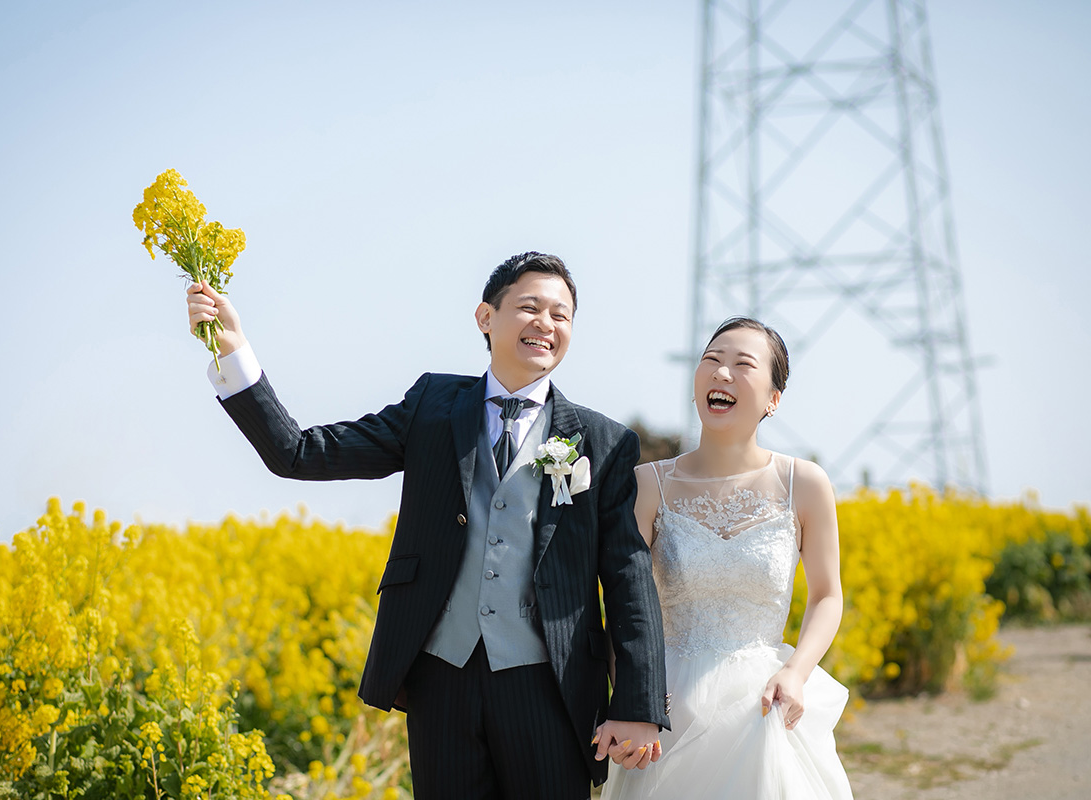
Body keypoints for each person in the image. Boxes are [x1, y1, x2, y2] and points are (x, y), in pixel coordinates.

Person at [185, 252, 670, 799]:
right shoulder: (432, 405)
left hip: (550, 685)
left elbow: (628, 578)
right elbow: (298, 453)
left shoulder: (604, 442)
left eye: (562, 315)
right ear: (486, 317)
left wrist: (637, 705)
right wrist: (234, 353)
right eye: (529, 307)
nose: (546, 324)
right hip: (442, 675)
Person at [601, 317, 853, 799]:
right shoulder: (649, 484)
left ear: (773, 399)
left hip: (764, 705)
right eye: (711, 360)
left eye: (743, 365)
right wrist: (630, 699)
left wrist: (796, 672)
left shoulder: (806, 483)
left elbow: (827, 596)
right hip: (668, 706)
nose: (721, 374)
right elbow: (622, 599)